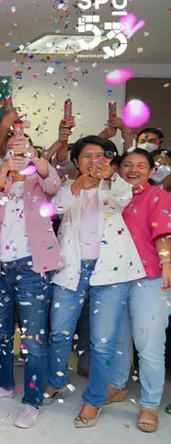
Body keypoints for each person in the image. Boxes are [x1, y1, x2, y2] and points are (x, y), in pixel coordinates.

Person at [45, 136, 145, 428]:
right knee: (59, 332)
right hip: (71, 269)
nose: (94, 161)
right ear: (76, 162)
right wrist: (77, 186)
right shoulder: (67, 187)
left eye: (100, 156)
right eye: (87, 156)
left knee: (102, 342)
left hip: (110, 271)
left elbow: (124, 197)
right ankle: (56, 381)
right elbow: (54, 209)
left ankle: (95, 399)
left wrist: (109, 177)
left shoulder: (115, 185)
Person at [0, 131, 62, 429]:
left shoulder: (38, 179)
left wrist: (34, 159)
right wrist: (4, 169)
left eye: (22, 145)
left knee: (33, 339)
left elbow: (54, 184)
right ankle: (3, 384)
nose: (17, 150)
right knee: (0, 333)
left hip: (31, 266)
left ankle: (32, 400)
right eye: (12, 146)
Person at [106, 149, 171, 432]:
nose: (134, 170)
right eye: (128, 165)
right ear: (118, 168)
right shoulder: (111, 195)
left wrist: (166, 263)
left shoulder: (157, 196)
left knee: (149, 344)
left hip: (150, 277)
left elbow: (163, 232)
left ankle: (149, 404)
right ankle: (117, 386)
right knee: (118, 338)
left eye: (141, 165)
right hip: (114, 277)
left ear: (151, 170)